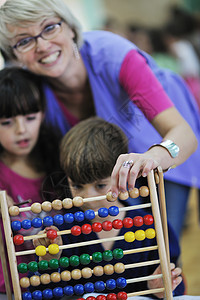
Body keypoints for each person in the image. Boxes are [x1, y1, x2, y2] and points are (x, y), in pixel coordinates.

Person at [0, 0, 199, 241]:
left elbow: (182, 133)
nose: (42, 45)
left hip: (159, 142)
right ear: (13, 56)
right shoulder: (32, 90)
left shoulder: (112, 54)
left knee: (165, 239)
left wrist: (153, 157)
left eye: (50, 28)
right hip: (105, 172)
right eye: (24, 41)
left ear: (71, 28)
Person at [34, 117, 189, 299]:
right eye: (77, 185)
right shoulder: (63, 234)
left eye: (100, 185)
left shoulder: (150, 228)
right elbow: (45, 293)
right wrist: (49, 261)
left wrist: (160, 288)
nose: (88, 198)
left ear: (122, 175)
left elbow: (177, 286)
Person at [0, 66, 62, 298]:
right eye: (6, 122)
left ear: (43, 114)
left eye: (30, 118)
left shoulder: (57, 163)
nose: (21, 130)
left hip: (54, 284)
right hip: (9, 288)